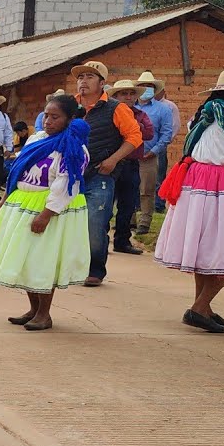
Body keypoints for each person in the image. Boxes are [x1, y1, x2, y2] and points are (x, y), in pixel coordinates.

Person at [0, 96, 91, 331]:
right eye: (46, 115)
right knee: (25, 258)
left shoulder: (73, 148)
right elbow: (19, 168)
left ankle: (44, 314)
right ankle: (33, 309)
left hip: (49, 209)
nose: (48, 121)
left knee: (44, 260)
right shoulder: (37, 139)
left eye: (55, 117)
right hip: (23, 202)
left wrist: (46, 214)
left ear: (69, 119)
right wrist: (6, 197)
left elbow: (66, 183)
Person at [154, 66, 224, 333]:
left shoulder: (204, 113)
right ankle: (199, 308)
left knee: (207, 246)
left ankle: (203, 307)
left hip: (196, 182)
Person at [73, 61, 144, 287]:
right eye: (81, 77)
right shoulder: (70, 106)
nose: (83, 81)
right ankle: (71, 267)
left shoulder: (116, 108)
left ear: (102, 83)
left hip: (99, 174)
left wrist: (113, 160)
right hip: (70, 175)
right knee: (69, 222)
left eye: (90, 77)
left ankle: (95, 270)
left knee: (95, 223)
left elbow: (135, 137)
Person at [109, 79, 154, 255]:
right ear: (116, 96)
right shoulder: (108, 113)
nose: (128, 97)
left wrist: (133, 124)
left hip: (131, 164)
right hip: (112, 163)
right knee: (106, 204)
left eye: (131, 94)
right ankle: (100, 240)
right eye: (124, 94)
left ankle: (122, 241)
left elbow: (149, 133)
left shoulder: (140, 115)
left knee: (127, 204)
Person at [135, 71, 174, 233]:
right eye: (143, 86)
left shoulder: (163, 109)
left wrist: (154, 151)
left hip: (149, 155)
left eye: (149, 86)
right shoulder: (129, 108)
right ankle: (128, 220)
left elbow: (166, 134)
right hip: (128, 155)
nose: (146, 88)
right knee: (129, 188)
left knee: (147, 189)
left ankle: (144, 222)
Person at [156, 80, 182, 214]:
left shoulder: (169, 106)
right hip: (143, 146)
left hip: (160, 145)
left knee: (159, 175)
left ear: (163, 91)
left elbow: (175, 126)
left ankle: (158, 204)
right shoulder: (140, 105)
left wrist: (164, 141)